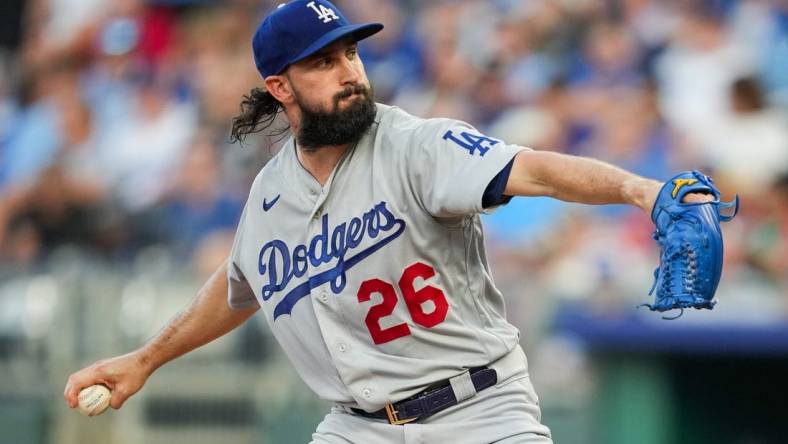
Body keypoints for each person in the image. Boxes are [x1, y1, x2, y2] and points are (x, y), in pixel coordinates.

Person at [63, 1, 711, 442]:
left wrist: (642, 189)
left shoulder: (414, 145)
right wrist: (146, 360)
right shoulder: (269, 195)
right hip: (356, 427)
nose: (348, 72)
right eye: (324, 62)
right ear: (280, 86)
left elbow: (534, 169)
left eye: (350, 54)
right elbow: (241, 286)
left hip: (479, 412)